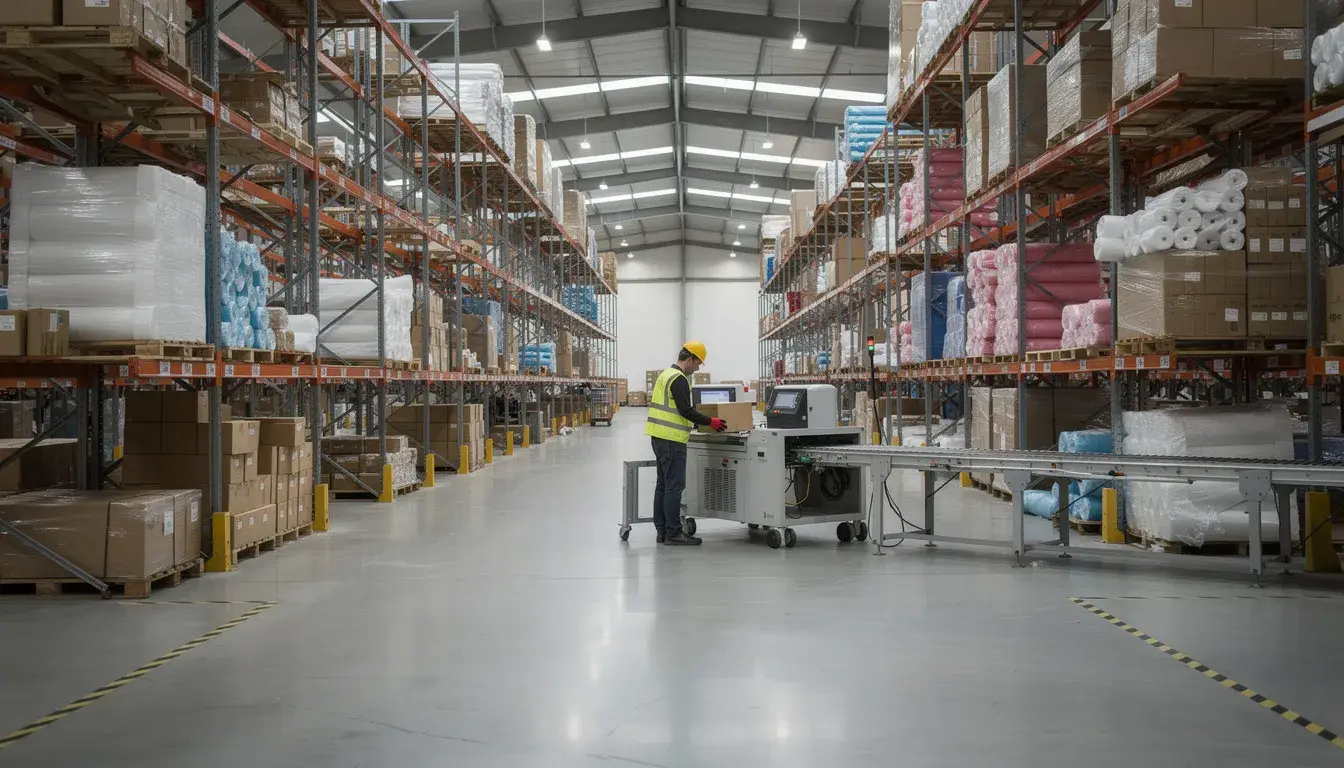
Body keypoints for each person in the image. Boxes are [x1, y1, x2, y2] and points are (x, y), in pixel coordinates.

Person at [645, 341, 726, 545]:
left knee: (663, 485)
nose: (697, 368)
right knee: (675, 485)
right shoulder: (679, 379)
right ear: (689, 360)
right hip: (672, 439)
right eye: (697, 364)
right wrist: (710, 421)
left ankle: (662, 531)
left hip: (658, 436)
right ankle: (674, 533)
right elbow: (685, 411)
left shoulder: (665, 375)